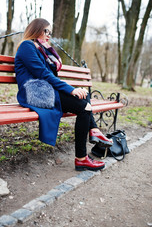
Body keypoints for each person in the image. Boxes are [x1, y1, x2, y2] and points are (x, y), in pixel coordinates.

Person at [15, 18, 112, 171]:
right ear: (37, 29)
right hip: (35, 93)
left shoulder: (41, 49)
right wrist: (70, 89)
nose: (49, 35)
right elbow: (43, 74)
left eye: (50, 32)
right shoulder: (27, 46)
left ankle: (94, 131)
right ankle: (81, 159)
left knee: (84, 95)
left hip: (45, 90)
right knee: (84, 107)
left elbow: (50, 74)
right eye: (46, 31)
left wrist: (73, 90)